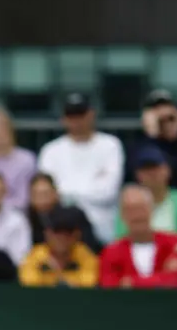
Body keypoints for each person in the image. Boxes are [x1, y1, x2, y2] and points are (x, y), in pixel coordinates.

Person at [37, 93, 125, 242]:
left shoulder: (111, 145)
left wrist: (66, 192)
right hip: (62, 229)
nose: (77, 121)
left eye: (81, 114)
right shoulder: (50, 150)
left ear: (91, 114)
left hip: (102, 231)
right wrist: (92, 186)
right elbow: (48, 195)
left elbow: (108, 192)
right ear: (63, 119)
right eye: (71, 116)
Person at [99, 185, 177, 289]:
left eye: (141, 208)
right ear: (122, 215)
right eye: (130, 210)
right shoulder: (111, 252)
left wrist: (132, 282)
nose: (137, 215)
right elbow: (109, 288)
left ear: (151, 210)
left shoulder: (173, 243)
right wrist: (160, 279)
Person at [18, 206, 99, 289]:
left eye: (68, 232)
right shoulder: (35, 254)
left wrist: (51, 281)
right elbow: (28, 282)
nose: (62, 237)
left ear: (77, 235)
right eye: (56, 231)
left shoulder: (85, 255)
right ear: (47, 233)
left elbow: (89, 283)